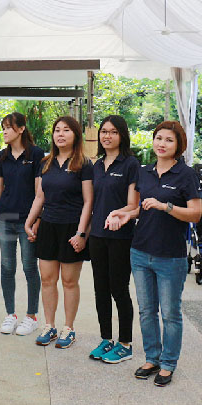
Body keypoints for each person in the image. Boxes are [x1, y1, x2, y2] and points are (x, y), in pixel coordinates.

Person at [108, 121, 201, 386]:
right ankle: (152, 358)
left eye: (169, 140)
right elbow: (141, 207)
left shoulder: (186, 175)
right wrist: (125, 215)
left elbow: (196, 213)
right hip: (140, 251)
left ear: (179, 145)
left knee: (170, 313)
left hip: (170, 256)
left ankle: (168, 364)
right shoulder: (144, 171)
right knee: (147, 311)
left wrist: (166, 206)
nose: (162, 144)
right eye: (158, 138)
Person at [25, 116, 94, 348]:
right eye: (57, 130)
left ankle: (68, 328)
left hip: (72, 228)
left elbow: (88, 202)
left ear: (76, 135)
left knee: (69, 281)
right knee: (47, 279)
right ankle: (50, 326)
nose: (60, 134)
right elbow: (40, 197)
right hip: (48, 226)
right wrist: (29, 222)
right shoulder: (46, 163)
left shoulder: (84, 164)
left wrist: (81, 233)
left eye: (66, 130)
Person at [0, 112, 44, 336]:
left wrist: (36, 219)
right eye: (3, 128)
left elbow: (39, 191)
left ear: (21, 129)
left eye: (8, 127)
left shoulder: (36, 154)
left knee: (29, 266)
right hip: (5, 219)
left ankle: (31, 316)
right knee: (7, 267)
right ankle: (10, 314)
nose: (4, 132)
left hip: (27, 220)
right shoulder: (3, 156)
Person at [88, 116, 139, 363]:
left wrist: (119, 215)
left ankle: (125, 343)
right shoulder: (97, 165)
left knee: (119, 289)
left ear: (122, 135)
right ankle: (106, 339)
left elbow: (133, 204)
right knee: (100, 289)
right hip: (97, 235)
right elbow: (91, 202)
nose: (107, 136)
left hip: (121, 236)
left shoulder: (130, 164)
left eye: (113, 132)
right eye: (104, 131)